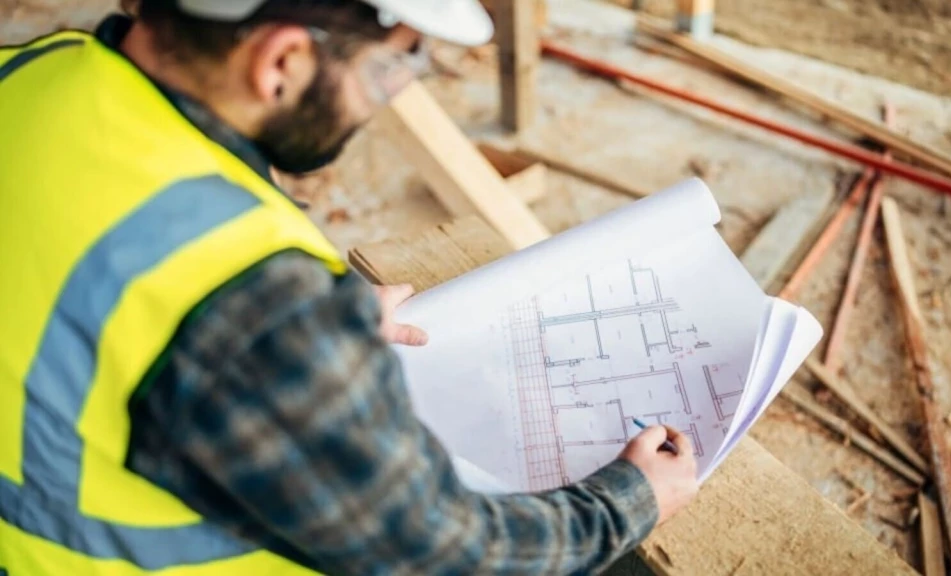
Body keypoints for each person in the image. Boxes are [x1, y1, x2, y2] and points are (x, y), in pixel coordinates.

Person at [0, 1, 699, 574]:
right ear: (281, 62)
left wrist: (296, 340)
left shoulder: (35, 70)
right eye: (392, 64)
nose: (390, 93)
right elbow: (444, 554)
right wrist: (628, 502)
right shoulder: (255, 301)